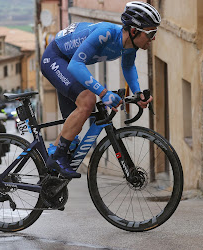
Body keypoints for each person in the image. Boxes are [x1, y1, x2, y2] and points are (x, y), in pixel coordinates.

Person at [41, 1, 160, 179]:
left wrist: (138, 94)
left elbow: (128, 68)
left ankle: (48, 180)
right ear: (134, 31)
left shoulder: (130, 46)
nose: (153, 38)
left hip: (66, 63)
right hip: (55, 58)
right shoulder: (106, 33)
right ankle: (57, 158)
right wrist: (103, 93)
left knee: (71, 136)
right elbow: (75, 66)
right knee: (88, 100)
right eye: (151, 33)